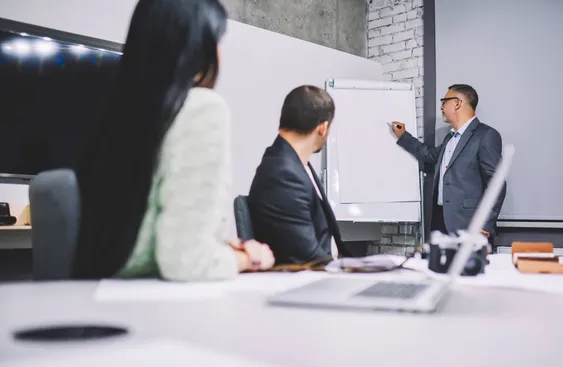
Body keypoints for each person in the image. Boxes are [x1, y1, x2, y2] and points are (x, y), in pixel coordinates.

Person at [71, 0, 274, 280]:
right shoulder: (202, 109)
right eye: (217, 41)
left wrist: (220, 248)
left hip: (98, 293)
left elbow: (144, 228)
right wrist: (246, 258)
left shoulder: (119, 112)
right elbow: (186, 262)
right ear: (197, 50)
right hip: (155, 307)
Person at [248, 85, 352, 265]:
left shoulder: (295, 165)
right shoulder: (283, 174)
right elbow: (309, 258)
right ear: (323, 128)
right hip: (311, 282)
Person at [391, 84, 505, 243]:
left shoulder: (486, 135)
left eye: (444, 102)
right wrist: (403, 136)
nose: (441, 107)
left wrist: (485, 225)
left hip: (470, 227)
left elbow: (496, 183)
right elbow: (429, 155)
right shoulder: (449, 139)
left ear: (458, 103)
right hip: (441, 223)